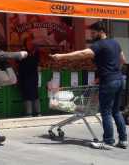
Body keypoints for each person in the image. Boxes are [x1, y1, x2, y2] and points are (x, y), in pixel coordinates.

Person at [50, 21, 128, 149]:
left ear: (101, 32)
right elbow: (123, 60)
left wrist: (61, 56)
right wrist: (113, 71)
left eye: (93, 33)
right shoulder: (115, 43)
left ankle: (108, 141)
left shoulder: (99, 45)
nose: (91, 35)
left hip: (108, 81)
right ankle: (123, 140)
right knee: (116, 111)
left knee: (106, 112)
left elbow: (82, 54)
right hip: (119, 80)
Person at [18, 37, 41, 117]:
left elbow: (37, 62)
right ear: (25, 43)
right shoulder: (22, 52)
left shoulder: (36, 52)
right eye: (28, 42)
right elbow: (18, 62)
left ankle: (37, 112)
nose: (30, 44)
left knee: (35, 93)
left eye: (31, 42)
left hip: (33, 75)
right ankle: (29, 113)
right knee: (26, 93)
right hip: (24, 76)